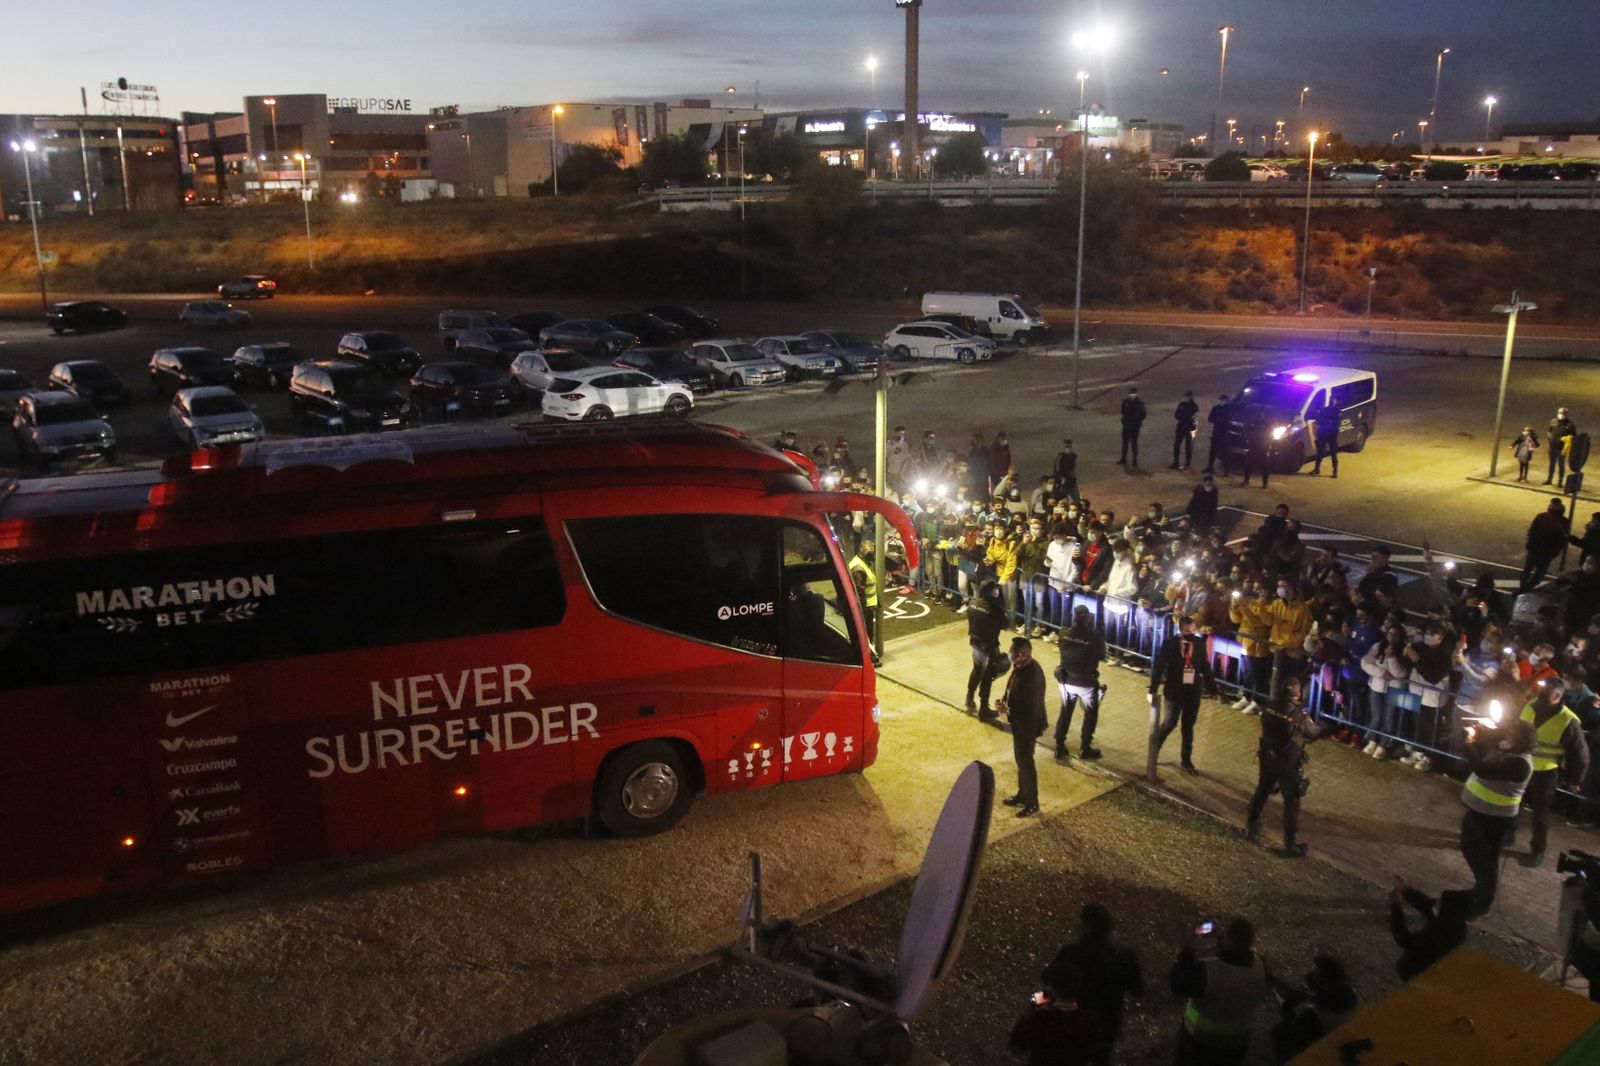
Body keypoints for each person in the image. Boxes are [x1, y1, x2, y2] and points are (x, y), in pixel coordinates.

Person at [1458, 718, 1536, 917]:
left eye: (1510, 735)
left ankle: (1483, 902)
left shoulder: (1520, 764)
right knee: (1471, 851)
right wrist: (1478, 737)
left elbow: (1484, 769)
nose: (1505, 737)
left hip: (1495, 820)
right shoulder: (1508, 751)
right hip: (1481, 813)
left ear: (1520, 741)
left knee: (1486, 862)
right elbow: (1487, 753)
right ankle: (1480, 889)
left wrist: (1468, 746)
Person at [1169, 917, 1270, 1066]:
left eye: (1224, 935)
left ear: (1228, 939)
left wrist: (1187, 951)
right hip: (1236, 1046)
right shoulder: (1260, 965)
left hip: (1199, 1046)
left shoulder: (1208, 971)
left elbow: (1177, 985)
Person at [1052, 903, 1143, 1066]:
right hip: (1106, 1028)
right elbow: (1138, 990)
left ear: (1084, 925)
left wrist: (1037, 1002)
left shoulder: (1069, 953)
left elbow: (1051, 983)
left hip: (1073, 1025)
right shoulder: (1123, 957)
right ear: (1109, 928)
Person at [1515, 677, 1589, 867]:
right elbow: (1516, 731)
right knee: (1513, 804)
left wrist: (1575, 779)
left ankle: (1538, 851)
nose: (1543, 695)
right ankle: (1506, 835)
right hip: (1522, 764)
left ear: (1558, 696)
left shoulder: (1568, 720)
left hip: (1546, 772)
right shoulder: (1530, 706)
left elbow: (1579, 753)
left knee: (1540, 814)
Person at [1245, 676, 1322, 858]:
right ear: (1295, 692)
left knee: (1262, 790)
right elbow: (1313, 733)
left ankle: (1251, 826)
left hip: (1267, 757)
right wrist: (1326, 727)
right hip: (1288, 763)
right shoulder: (1299, 714)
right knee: (1292, 801)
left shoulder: (1269, 706)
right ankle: (1290, 845)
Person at [1148, 615, 1215, 781]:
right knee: (1170, 723)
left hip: (1193, 689)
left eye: (1192, 630)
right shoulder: (1170, 644)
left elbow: (1205, 666)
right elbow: (1159, 666)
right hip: (1175, 688)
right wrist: (1153, 688)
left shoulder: (1199, 644)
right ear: (1181, 630)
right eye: (1187, 631)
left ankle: (1186, 760)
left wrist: (1213, 688)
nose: (1190, 634)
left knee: (1188, 726)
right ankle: (1154, 752)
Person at [1008, 961, 1104, 1066]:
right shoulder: (1089, 1020)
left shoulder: (1039, 1019)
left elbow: (1016, 1048)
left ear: (1051, 989)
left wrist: (1028, 1012)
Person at [1269, 954, 1359, 1064]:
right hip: (1348, 1050)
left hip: (1329, 1056)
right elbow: (1326, 998)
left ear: (1325, 985)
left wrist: (1287, 1008)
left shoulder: (1314, 1016)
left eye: (1314, 978)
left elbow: (1292, 1036)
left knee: (1278, 1033)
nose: (1309, 978)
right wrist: (1311, 996)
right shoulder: (1353, 996)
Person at [998, 637, 1047, 817]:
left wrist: (1008, 711)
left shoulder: (1033, 674)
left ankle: (1032, 802)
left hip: (1027, 726)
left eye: (1012, 650)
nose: (1010, 653)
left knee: (1026, 762)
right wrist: (1005, 701)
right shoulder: (1021, 668)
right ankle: (1022, 794)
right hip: (1020, 724)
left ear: (1020, 655)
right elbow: (1012, 688)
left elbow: (1028, 707)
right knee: (1021, 760)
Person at [1388, 878, 1472, 981]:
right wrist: (1405, 891)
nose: (1436, 900)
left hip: (1417, 971)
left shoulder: (1433, 941)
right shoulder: (1455, 927)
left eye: (1439, 902)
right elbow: (1428, 907)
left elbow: (1403, 939)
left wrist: (1395, 905)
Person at [1055, 606, 1106, 761]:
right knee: (1090, 714)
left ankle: (1059, 746)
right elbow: (1101, 655)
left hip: (1066, 680)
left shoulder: (1064, 633)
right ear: (1088, 618)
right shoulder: (1094, 636)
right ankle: (1085, 748)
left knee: (1065, 713)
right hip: (1086, 682)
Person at [967, 580, 1007, 722]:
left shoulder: (972, 603)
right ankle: (984, 708)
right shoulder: (995, 609)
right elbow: (1005, 623)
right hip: (988, 647)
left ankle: (969, 698)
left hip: (975, 644)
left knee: (977, 670)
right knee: (988, 676)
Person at [1521, 497, 1570, 592]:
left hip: (1541, 551)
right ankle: (1527, 587)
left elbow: (1532, 532)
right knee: (1536, 572)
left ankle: (1525, 587)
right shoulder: (1561, 521)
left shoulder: (1544, 517)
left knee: (1531, 571)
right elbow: (1532, 532)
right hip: (1541, 551)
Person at [848, 539, 879, 651]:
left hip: (867, 605)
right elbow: (859, 592)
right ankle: (868, 654)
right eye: (871, 554)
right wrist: (862, 611)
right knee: (866, 633)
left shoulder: (862, 563)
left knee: (867, 633)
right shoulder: (858, 568)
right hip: (864, 607)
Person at [1237, 413, 1276, 489]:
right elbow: (1246, 431)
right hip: (1254, 446)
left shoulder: (1266, 424)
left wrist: (1268, 444)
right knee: (1249, 464)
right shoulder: (1254, 423)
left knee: (1264, 466)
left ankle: (1264, 483)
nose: (1260, 416)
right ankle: (1247, 480)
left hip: (1262, 447)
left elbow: (1270, 436)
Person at [1310, 396, 1342, 478]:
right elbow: (1319, 419)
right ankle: (1317, 469)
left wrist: (1326, 421)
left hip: (1331, 434)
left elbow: (1337, 423)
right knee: (1320, 452)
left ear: (1335, 401)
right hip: (1324, 433)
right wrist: (1329, 422)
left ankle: (1335, 471)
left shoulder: (1337, 411)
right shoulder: (1325, 410)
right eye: (1331, 400)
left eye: (1333, 400)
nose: (1332, 401)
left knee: (1333, 453)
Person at [1546, 406, 1576, 486]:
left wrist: (1567, 438)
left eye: (1563, 413)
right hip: (1552, 447)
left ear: (1566, 414)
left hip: (1561, 449)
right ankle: (1549, 479)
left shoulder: (1569, 425)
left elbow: (1573, 436)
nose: (1561, 415)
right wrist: (1549, 437)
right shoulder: (1553, 421)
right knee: (1551, 464)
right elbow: (1549, 431)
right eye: (1560, 413)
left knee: (1561, 465)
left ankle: (1560, 481)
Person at [1172, 390, 1200, 471]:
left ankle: (1187, 464)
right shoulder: (1182, 404)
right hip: (1181, 428)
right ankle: (1176, 463)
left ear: (1191, 397)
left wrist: (1183, 417)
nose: (1186, 398)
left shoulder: (1194, 406)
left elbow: (1191, 418)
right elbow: (1176, 415)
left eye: (1187, 396)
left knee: (1188, 447)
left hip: (1188, 429)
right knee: (1177, 446)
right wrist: (1183, 417)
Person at [1204, 393, 1231, 476]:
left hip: (1223, 433)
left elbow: (1226, 420)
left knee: (1223, 452)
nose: (1221, 401)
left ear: (1226, 401)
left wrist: (1217, 419)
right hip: (1216, 432)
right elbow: (1210, 418)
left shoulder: (1228, 409)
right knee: (1212, 451)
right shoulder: (1216, 408)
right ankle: (1210, 468)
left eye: (1222, 400)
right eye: (1220, 400)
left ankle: (1226, 470)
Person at [1119, 388, 1147, 468]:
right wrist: (1124, 420)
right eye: (1130, 393)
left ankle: (1134, 460)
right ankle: (1123, 458)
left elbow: (1144, 414)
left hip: (1135, 426)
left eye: (1132, 393)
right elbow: (1122, 411)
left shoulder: (1140, 403)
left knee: (1134, 443)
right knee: (1125, 442)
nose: (1131, 395)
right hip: (1126, 425)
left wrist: (1138, 421)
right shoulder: (1125, 402)